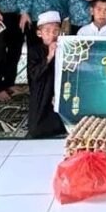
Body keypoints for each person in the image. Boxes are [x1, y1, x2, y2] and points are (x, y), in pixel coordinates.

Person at [26, 10, 66, 139]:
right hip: (42, 92)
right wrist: (49, 56)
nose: (52, 35)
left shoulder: (65, 48)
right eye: (47, 31)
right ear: (39, 33)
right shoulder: (35, 51)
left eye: (55, 31)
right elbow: (34, 75)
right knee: (36, 129)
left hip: (60, 89)